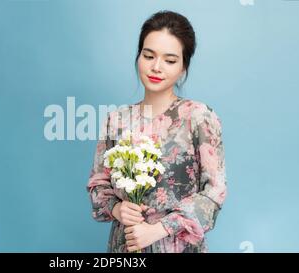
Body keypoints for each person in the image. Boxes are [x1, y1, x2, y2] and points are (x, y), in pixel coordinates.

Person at [87, 10, 227, 253]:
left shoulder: (198, 116)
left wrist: (160, 228)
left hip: (177, 245)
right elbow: (99, 182)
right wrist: (117, 209)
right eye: (148, 55)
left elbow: (214, 192)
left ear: (183, 67)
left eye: (170, 60)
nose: (156, 67)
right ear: (138, 56)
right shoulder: (116, 120)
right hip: (126, 245)